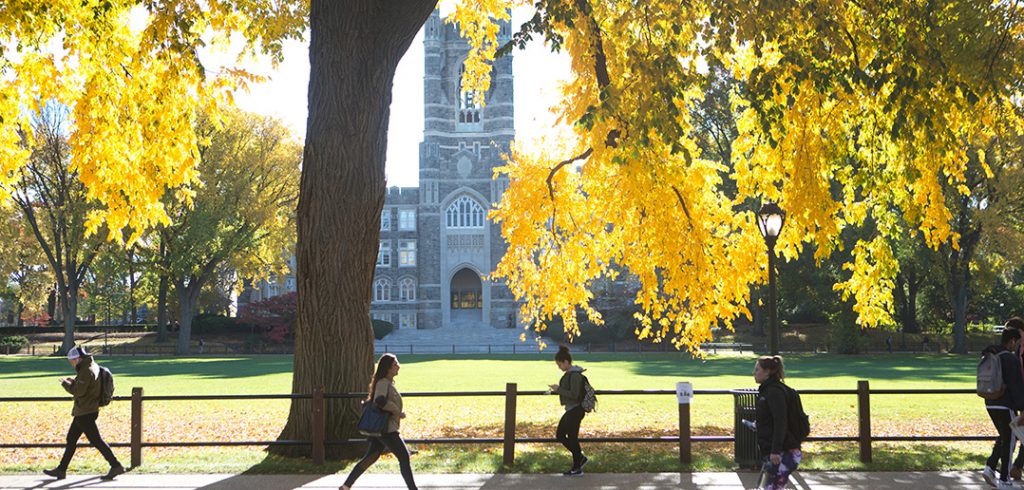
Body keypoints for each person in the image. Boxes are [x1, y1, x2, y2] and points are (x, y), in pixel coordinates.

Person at [43, 346, 126, 481]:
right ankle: (61, 469)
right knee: (71, 439)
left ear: (78, 359)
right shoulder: (91, 366)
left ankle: (115, 465)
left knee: (96, 441)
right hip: (86, 409)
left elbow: (79, 392)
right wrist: (74, 381)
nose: (71, 363)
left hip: (85, 411)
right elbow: (86, 387)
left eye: (72, 361)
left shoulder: (86, 370)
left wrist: (65, 384)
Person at [340, 353, 417, 490]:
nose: (398, 366)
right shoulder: (383, 383)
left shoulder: (386, 383)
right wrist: (396, 411)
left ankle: (346, 485)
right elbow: (379, 400)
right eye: (395, 364)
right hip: (386, 429)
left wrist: (397, 413)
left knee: (371, 457)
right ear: (387, 368)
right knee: (404, 456)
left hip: (381, 429)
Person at [982, 326, 1024, 489]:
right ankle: (1004, 480)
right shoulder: (1009, 358)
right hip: (1006, 404)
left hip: (990, 401)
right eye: (1017, 342)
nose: (1016, 346)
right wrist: (1022, 406)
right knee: (1010, 441)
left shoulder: (991, 354)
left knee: (1005, 438)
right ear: (1012, 341)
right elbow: (1016, 386)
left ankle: (990, 468)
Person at [753, 355, 801, 490]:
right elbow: (772, 419)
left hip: (782, 453)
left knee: (771, 488)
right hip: (777, 451)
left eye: (757, 369)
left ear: (767, 372)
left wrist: (775, 450)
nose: (754, 373)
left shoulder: (774, 392)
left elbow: (780, 421)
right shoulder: (769, 390)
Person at [548, 345, 589, 477]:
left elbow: (574, 394)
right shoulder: (569, 374)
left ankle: (577, 467)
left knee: (572, 438)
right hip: (571, 409)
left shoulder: (575, 375)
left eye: (559, 364)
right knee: (561, 435)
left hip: (576, 409)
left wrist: (558, 389)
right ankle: (580, 459)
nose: (559, 367)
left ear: (566, 362)